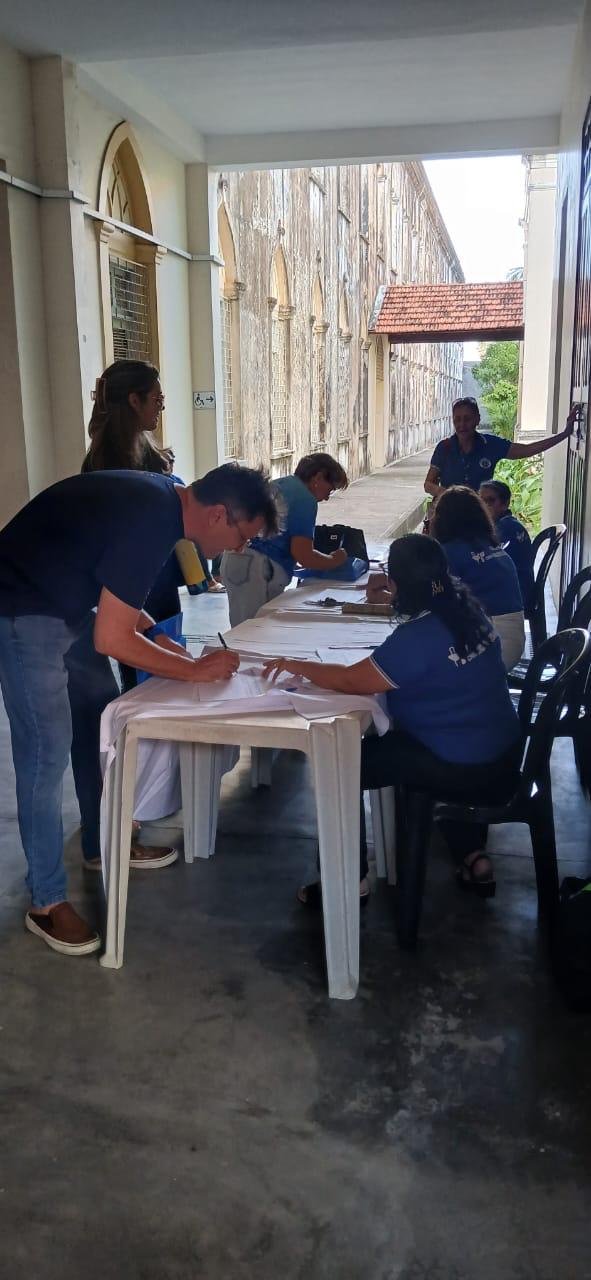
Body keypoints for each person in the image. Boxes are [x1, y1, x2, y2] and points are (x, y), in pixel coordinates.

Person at [0, 464, 276, 956]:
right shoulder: (153, 517)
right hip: (23, 608)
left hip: (65, 601)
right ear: (219, 515)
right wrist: (192, 670)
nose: (238, 550)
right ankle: (46, 901)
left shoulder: (167, 501)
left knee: (99, 716)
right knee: (45, 753)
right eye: (243, 538)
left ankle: (100, 844)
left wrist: (159, 637)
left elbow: (113, 587)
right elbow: (111, 638)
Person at [262, 534, 522, 901]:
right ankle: (472, 854)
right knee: (419, 741)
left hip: (460, 766)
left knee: (340, 762)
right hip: (503, 755)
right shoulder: (467, 610)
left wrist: (298, 665)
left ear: (398, 583)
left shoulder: (416, 639)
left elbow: (352, 680)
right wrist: (393, 599)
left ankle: (347, 881)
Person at [221, 453, 349, 626]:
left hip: (238, 562)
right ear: (318, 477)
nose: (327, 497)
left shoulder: (281, 484)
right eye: (330, 489)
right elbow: (304, 555)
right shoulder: (304, 498)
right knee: (253, 633)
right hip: (256, 569)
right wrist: (334, 560)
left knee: (245, 629)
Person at [429, 486, 525, 671]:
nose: (432, 519)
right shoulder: (487, 545)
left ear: (444, 519)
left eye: (435, 513)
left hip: (492, 649)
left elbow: (431, 600)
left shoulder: (452, 552)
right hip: (511, 643)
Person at [424, 397, 576, 498]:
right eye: (457, 420)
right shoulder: (445, 447)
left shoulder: (491, 445)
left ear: (477, 419)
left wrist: (564, 434)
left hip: (479, 516)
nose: (462, 425)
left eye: (467, 419)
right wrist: (445, 493)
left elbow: (527, 450)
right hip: (448, 516)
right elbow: (428, 484)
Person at [479, 479, 535, 613]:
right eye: (480, 501)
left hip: (515, 595)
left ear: (505, 504)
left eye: (490, 501)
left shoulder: (506, 529)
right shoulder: (503, 525)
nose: (484, 506)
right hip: (513, 589)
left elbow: (489, 567)